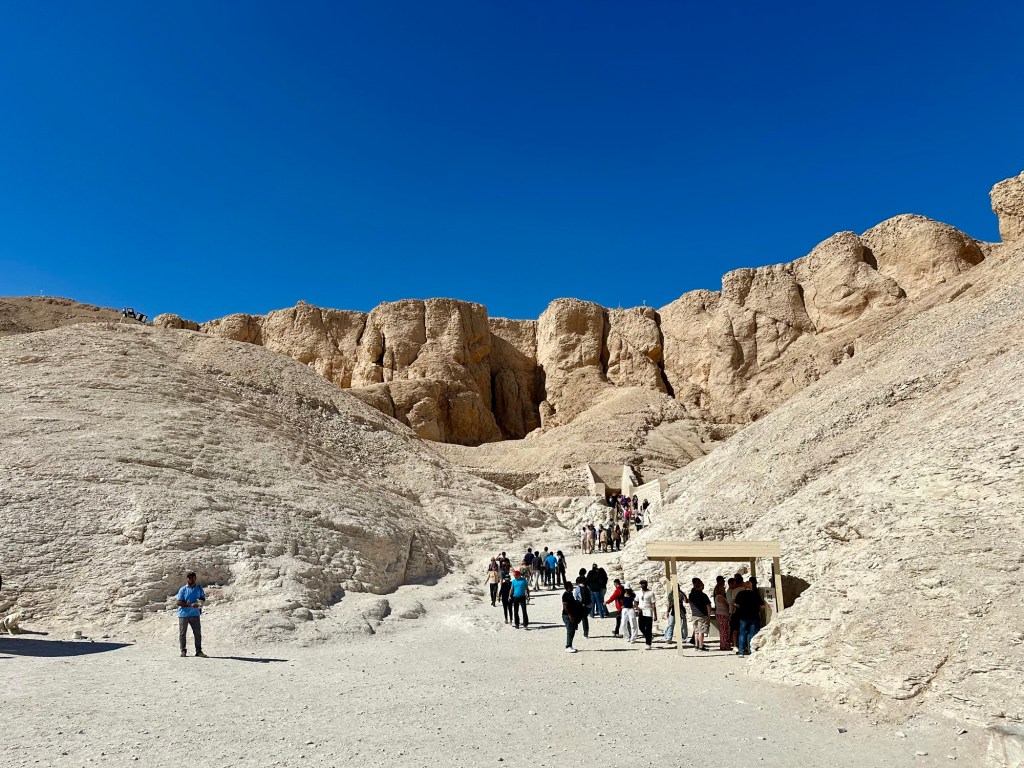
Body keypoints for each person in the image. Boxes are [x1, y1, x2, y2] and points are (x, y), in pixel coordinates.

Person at [176, 571, 207, 658]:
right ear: (187, 578)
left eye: (192, 577)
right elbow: (178, 602)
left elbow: (202, 598)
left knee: (197, 633)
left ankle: (198, 651)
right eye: (189, 577)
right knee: (182, 633)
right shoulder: (183, 589)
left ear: (195, 578)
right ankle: (183, 650)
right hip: (183, 614)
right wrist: (190, 605)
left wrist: (200, 603)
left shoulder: (199, 588)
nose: (191, 579)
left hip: (195, 614)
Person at [734, 577, 765, 655]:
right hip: (754, 616)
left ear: (745, 586)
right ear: (751, 586)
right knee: (752, 633)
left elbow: (736, 604)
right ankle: (750, 650)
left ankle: (741, 651)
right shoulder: (755, 594)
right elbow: (762, 606)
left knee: (742, 633)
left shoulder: (740, 594)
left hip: (743, 617)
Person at [688, 577, 712, 651]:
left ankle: (696, 645)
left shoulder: (691, 595)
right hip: (702, 615)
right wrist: (708, 615)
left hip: (694, 614)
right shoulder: (703, 595)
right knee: (701, 632)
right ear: (700, 586)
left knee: (696, 631)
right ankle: (701, 646)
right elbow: (708, 606)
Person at [561, 582, 585, 653]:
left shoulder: (570, 594)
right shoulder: (565, 595)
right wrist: (570, 615)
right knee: (570, 631)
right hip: (567, 615)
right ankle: (568, 646)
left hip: (572, 614)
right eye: (571, 586)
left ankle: (570, 645)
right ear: (568, 587)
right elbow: (565, 607)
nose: (572, 587)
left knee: (572, 630)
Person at [636, 579, 657, 650]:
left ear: (646, 584)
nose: (643, 585)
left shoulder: (651, 593)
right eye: (641, 583)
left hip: (648, 611)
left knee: (648, 628)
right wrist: (637, 607)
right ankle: (649, 637)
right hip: (641, 610)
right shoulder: (639, 593)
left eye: (644, 583)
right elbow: (635, 601)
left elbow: (653, 604)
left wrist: (655, 614)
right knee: (641, 627)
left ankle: (648, 644)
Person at [714, 577, 732, 650]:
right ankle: (725, 645)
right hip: (723, 614)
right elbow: (726, 605)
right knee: (724, 630)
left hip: (720, 613)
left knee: (722, 630)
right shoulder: (720, 597)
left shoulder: (717, 596)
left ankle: (723, 644)